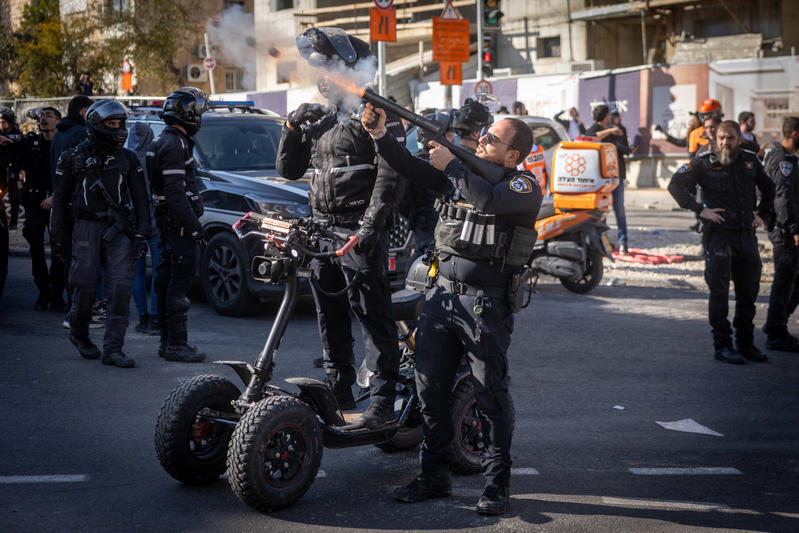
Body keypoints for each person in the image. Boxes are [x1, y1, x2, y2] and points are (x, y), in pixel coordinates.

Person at [362, 103, 541, 515]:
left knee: (489, 395)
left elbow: (490, 201)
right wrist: (380, 135)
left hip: (485, 306)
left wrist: (454, 166)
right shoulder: (462, 177)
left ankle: (496, 486)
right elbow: (408, 165)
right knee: (430, 390)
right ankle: (433, 475)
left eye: (492, 138)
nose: (482, 139)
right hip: (441, 296)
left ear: (513, 155)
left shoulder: (522, 186)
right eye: (484, 135)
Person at [277, 27, 405, 426]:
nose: (322, 80)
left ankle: (383, 397)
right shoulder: (323, 119)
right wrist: (292, 130)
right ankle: (339, 387)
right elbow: (289, 169)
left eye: (329, 70)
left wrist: (367, 229)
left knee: (372, 314)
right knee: (328, 314)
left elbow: (391, 179)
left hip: (358, 233)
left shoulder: (378, 114)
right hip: (321, 232)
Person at [51, 100, 150, 368]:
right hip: (85, 227)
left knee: (120, 287)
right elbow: (59, 201)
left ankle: (113, 349)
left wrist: (142, 234)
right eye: (111, 124)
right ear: (96, 125)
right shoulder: (71, 157)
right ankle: (80, 335)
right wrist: (58, 237)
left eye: (120, 123)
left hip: (119, 228)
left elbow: (141, 199)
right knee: (84, 287)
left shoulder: (128, 159)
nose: (118, 129)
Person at [668, 120, 774, 364]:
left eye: (731, 138)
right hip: (718, 237)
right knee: (719, 293)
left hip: (746, 236)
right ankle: (723, 346)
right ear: (717, 139)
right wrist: (699, 209)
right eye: (722, 138)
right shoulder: (703, 162)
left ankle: (746, 345)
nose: (726, 142)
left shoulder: (750, 161)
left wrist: (763, 214)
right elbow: (676, 185)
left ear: (739, 139)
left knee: (749, 293)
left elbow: (769, 189)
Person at [146, 87, 209, 363]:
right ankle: (175, 344)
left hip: (170, 223)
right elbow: (175, 193)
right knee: (178, 285)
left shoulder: (168, 141)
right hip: (178, 226)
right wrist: (194, 226)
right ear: (190, 114)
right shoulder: (173, 144)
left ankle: (166, 341)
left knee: (167, 280)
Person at [0, 107, 65, 310]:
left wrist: (56, 196)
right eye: (42, 116)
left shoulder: (63, 144)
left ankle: (56, 297)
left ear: (59, 121)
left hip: (57, 202)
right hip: (35, 203)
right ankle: (43, 293)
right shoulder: (30, 142)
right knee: (36, 251)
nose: (44, 119)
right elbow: (10, 140)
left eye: (49, 116)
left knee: (58, 253)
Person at [51, 95, 94, 329]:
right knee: (80, 263)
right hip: (76, 207)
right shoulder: (80, 134)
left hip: (61, 202)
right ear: (82, 111)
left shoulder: (59, 134)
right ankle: (76, 312)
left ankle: (71, 308)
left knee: (68, 260)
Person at [762, 116, 799, 352]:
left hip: (783, 228)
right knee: (784, 281)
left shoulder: (778, 156)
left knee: (790, 279)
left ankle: (776, 322)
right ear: (795, 134)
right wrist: (794, 229)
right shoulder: (784, 161)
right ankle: (776, 332)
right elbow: (783, 199)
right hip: (785, 230)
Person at [128, 122, 160, 335]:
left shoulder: (124, 160)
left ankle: (143, 318)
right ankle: (156, 319)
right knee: (158, 271)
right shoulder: (154, 158)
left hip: (132, 224)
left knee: (136, 273)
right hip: (156, 222)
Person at [0, 106, 21, 229]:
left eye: (3, 122)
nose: (1, 125)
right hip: (1, 169)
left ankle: (13, 222)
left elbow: (20, 153)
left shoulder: (16, 135)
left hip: (13, 169)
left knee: (14, 195)